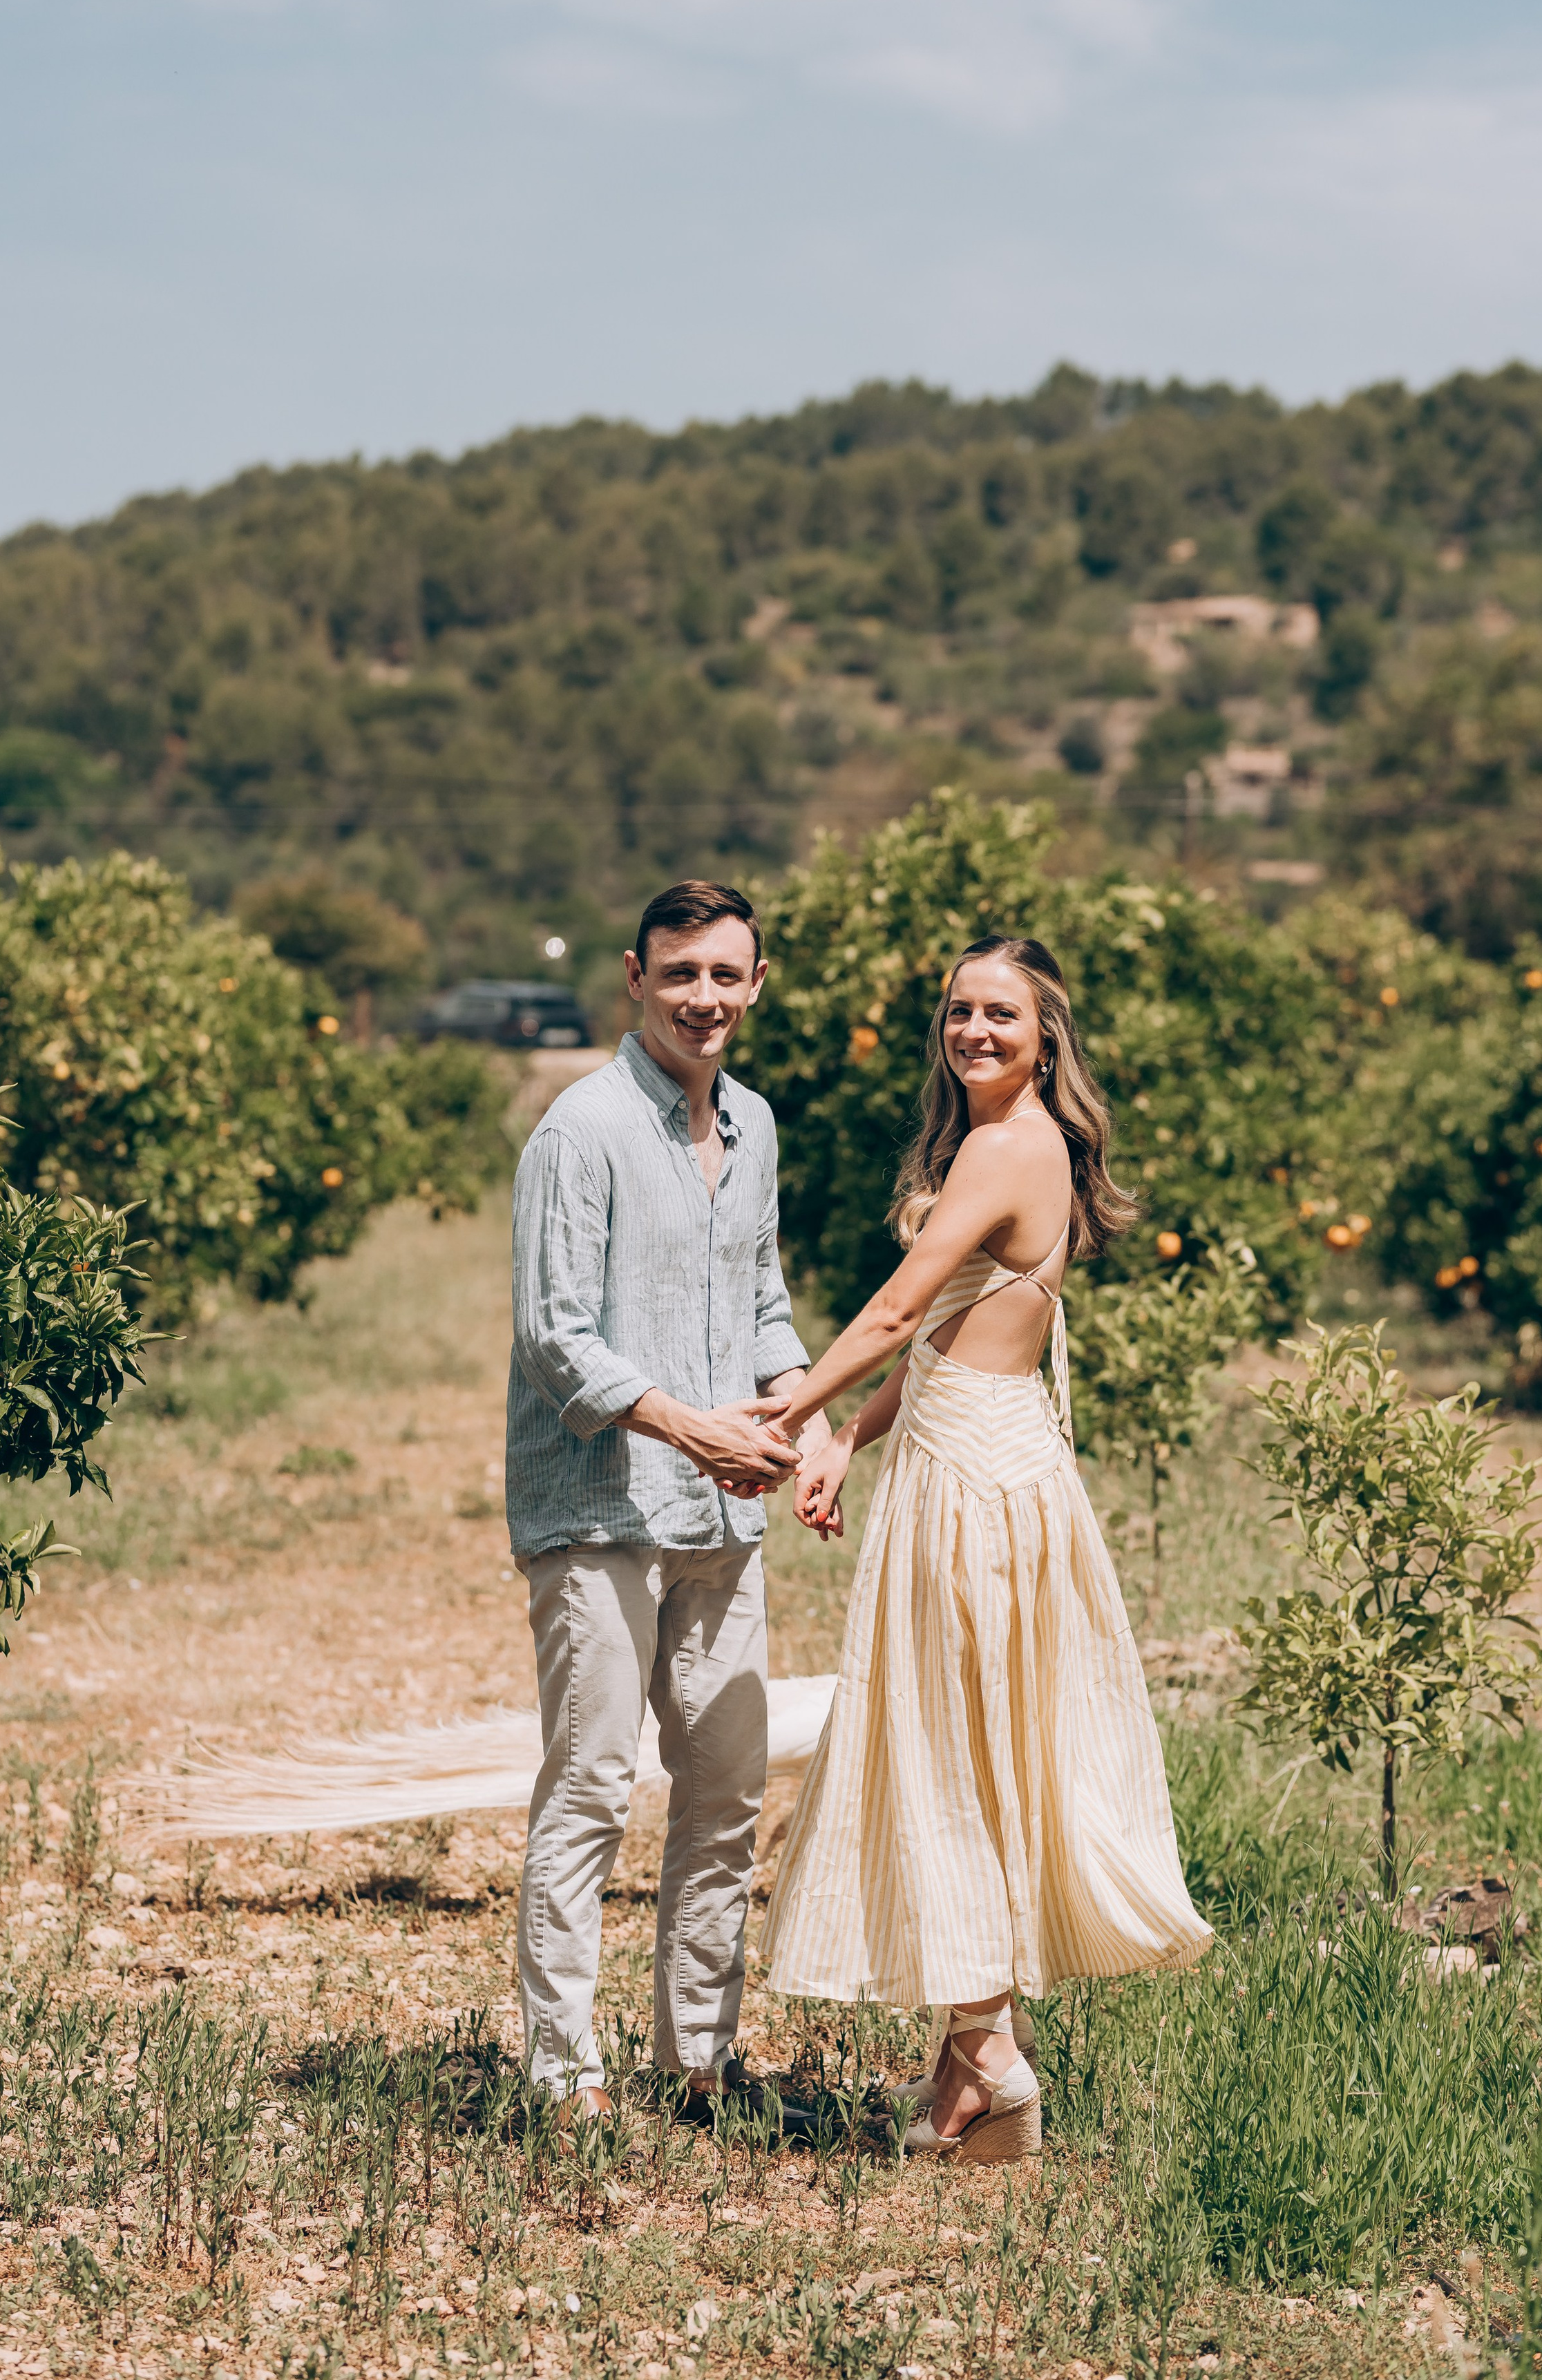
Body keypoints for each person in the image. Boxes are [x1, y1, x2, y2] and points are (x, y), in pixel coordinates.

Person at [761, 935, 1214, 2164]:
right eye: (959, 1010)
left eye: (1002, 1013)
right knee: (975, 1741)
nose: (974, 1030)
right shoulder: (1010, 1144)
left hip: (971, 1481)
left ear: (1046, 1037)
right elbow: (947, 1338)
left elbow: (900, 1311)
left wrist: (789, 1419)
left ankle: (988, 2055)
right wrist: (852, 1438)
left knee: (946, 1746)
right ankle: (971, 2065)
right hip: (988, 1451)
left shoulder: (1009, 1148)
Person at [506, 880, 829, 2121]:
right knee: (592, 1786)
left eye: (726, 975)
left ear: (758, 984)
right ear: (635, 978)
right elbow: (556, 1339)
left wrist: (803, 1422)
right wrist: (697, 1430)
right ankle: (561, 2077)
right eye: (681, 973)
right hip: (599, 1507)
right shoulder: (579, 1131)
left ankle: (697, 2065)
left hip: (721, 1518)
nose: (704, 997)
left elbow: (763, 1303)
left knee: (726, 1791)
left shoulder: (755, 1126)